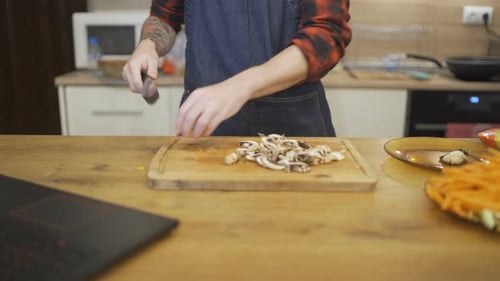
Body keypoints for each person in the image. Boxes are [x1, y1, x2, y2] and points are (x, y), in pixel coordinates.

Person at [122, 0, 352, 138]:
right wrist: (148, 45)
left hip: (293, 129)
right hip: (206, 128)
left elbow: (326, 36)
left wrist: (240, 86)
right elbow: (164, 17)